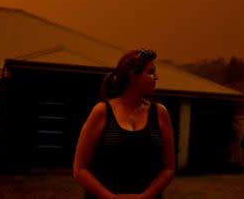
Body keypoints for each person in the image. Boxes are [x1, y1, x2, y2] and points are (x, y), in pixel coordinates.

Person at [73, 48, 175, 199]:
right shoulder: (102, 112)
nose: (156, 77)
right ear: (133, 76)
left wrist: (144, 197)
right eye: (151, 72)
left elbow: (169, 168)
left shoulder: (160, 113)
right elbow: (80, 169)